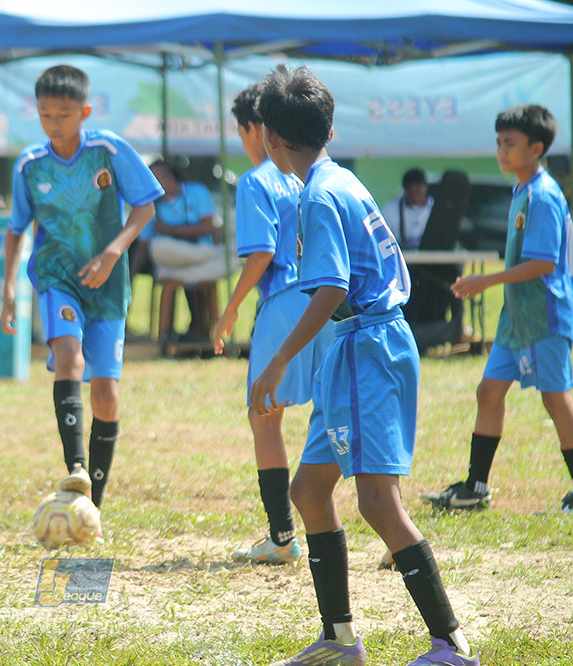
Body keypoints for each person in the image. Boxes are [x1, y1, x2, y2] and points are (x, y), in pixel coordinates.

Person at [249, 65, 479, 666]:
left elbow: (330, 287)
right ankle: (339, 638)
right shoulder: (338, 179)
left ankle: (451, 644)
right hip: (357, 348)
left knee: (378, 502)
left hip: (366, 350)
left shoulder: (320, 196)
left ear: (272, 137)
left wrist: (276, 364)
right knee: (308, 489)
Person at [0, 64, 163, 533]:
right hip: (57, 276)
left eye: (65, 114)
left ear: (85, 112)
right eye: (47, 114)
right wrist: (9, 288)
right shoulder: (30, 165)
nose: (55, 123)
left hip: (108, 284)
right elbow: (16, 230)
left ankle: (93, 502)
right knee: (67, 357)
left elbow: (146, 206)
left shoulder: (108, 150)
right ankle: (75, 466)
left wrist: (114, 252)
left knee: (107, 398)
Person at [422, 104, 573, 515]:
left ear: (536, 147)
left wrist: (483, 281)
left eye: (510, 144)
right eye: (499, 143)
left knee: (556, 400)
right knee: (488, 392)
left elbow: (544, 263)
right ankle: (475, 487)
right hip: (516, 319)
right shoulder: (522, 189)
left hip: (544, 316)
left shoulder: (542, 195)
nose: (501, 151)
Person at [213, 83, 334, 565]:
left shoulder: (256, 179)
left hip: (283, 303)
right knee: (341, 410)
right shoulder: (315, 173)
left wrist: (231, 307)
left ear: (255, 130)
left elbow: (262, 253)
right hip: (327, 302)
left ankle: (283, 537)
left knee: (264, 415)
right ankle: (393, 529)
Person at [145, 160, 233, 344]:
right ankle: (208, 256)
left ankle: (200, 330)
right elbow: (147, 244)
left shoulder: (196, 192)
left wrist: (171, 231)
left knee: (228, 259)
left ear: (170, 176)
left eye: (160, 177)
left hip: (191, 258)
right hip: (181, 257)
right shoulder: (151, 206)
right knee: (160, 248)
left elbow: (209, 226)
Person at [382, 168, 434, 251]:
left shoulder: (437, 209)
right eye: (411, 191)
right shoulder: (389, 211)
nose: (415, 195)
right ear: (405, 190)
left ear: (426, 187)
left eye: (418, 190)